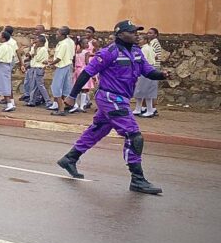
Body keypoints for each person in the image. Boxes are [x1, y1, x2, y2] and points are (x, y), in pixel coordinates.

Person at [56, 21, 170, 194]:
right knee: (134, 135)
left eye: (137, 32)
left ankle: (70, 158)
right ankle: (137, 179)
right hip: (110, 98)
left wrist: (161, 75)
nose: (137, 34)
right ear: (120, 34)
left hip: (121, 99)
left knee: (98, 129)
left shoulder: (137, 52)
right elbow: (87, 72)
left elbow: (148, 71)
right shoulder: (109, 52)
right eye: (132, 32)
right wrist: (72, 96)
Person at [135, 28, 165, 117]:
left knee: (144, 90)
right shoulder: (149, 47)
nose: (139, 41)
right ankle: (144, 109)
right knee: (147, 90)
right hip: (151, 67)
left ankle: (148, 109)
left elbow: (143, 60)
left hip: (147, 69)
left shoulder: (148, 47)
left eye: (140, 39)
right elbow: (155, 56)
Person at [47, 26, 76, 114]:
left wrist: (50, 64)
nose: (56, 36)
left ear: (63, 35)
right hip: (68, 65)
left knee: (56, 87)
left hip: (62, 66)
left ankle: (61, 109)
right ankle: (68, 106)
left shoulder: (63, 44)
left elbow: (59, 58)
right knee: (66, 87)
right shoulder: (70, 41)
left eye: (57, 34)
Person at [20, 25, 48, 106]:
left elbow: (38, 56)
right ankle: (32, 100)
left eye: (37, 29)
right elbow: (32, 53)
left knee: (39, 85)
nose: (35, 30)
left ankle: (46, 101)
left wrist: (33, 53)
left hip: (38, 66)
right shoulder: (37, 41)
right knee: (33, 84)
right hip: (34, 64)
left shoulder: (42, 43)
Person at [68, 37, 97, 113]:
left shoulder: (77, 51)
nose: (88, 44)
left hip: (77, 71)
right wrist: (93, 74)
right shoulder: (86, 52)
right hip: (84, 70)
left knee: (78, 88)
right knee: (85, 89)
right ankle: (82, 106)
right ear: (81, 44)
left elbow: (74, 61)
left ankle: (76, 105)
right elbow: (87, 63)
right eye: (86, 43)